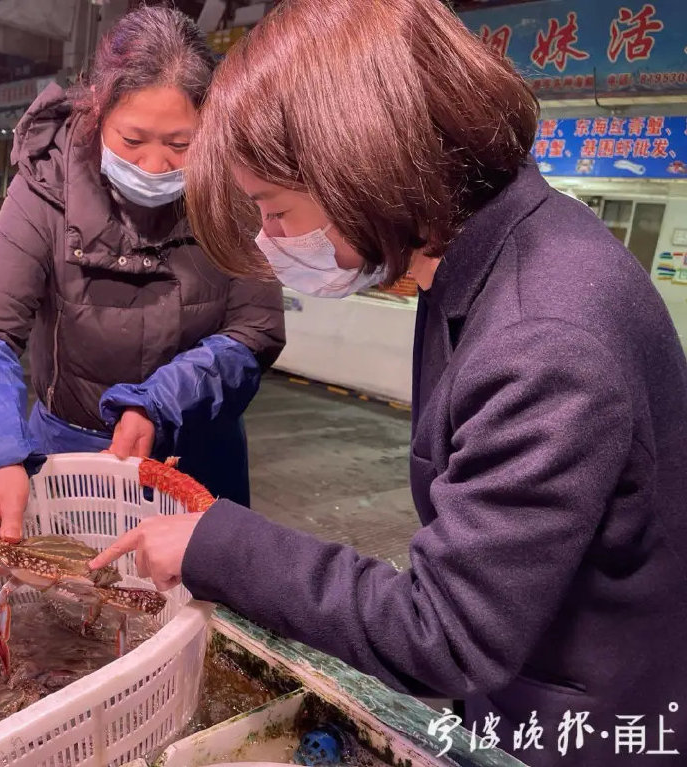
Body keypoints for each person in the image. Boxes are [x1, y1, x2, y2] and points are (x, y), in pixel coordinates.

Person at [88, 1, 687, 765]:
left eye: (276, 211)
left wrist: (220, 545)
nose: (273, 243)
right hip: (535, 672)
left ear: (363, 163)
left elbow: (446, 630)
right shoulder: (485, 254)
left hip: (594, 726)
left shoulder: (545, 335)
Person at [0, 5, 285, 566]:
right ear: (98, 113)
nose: (154, 163)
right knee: (67, 603)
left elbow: (255, 330)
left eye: (180, 144)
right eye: (133, 138)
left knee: (200, 620)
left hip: (196, 454)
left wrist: (161, 403)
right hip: (70, 453)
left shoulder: (232, 190)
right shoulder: (45, 185)